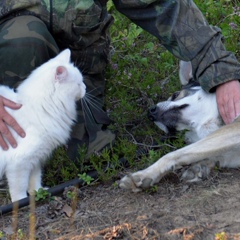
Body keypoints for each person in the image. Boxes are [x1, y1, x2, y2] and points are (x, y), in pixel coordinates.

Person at [0, 0, 240, 161]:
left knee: (89, 155)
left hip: (77, 78)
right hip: (9, 77)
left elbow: (165, 7)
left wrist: (221, 72)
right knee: (23, 38)